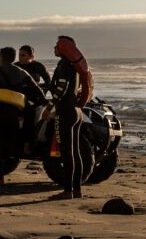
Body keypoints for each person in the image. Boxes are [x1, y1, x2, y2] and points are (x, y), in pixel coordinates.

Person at [0, 46, 47, 184]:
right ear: (14, 58)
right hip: (12, 114)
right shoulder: (21, 72)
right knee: (9, 145)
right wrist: (46, 104)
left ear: (1, 57)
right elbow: (38, 91)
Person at [47, 35, 85, 200]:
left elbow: (61, 88)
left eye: (56, 45)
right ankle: (77, 190)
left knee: (67, 153)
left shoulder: (63, 65)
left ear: (63, 49)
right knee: (75, 153)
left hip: (66, 112)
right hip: (76, 112)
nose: (54, 48)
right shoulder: (74, 67)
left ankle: (67, 191)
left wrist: (49, 107)